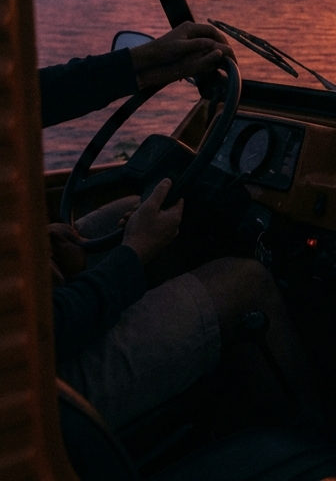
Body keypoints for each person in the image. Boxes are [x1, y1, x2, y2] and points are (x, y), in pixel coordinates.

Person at [45, 22, 319, 431]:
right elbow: (56, 326)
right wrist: (132, 255)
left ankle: (195, 405)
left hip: (36, 322)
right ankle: (324, 446)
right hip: (41, 384)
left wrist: (142, 62)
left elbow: (19, 94)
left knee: (136, 208)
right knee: (247, 283)